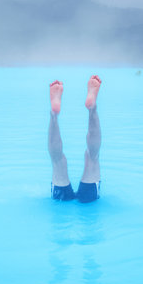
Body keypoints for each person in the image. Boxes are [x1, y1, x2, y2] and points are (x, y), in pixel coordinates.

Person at [48, 75, 102, 203]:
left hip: (59, 193)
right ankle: (92, 108)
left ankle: (53, 115)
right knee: (92, 157)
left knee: (58, 161)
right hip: (91, 192)